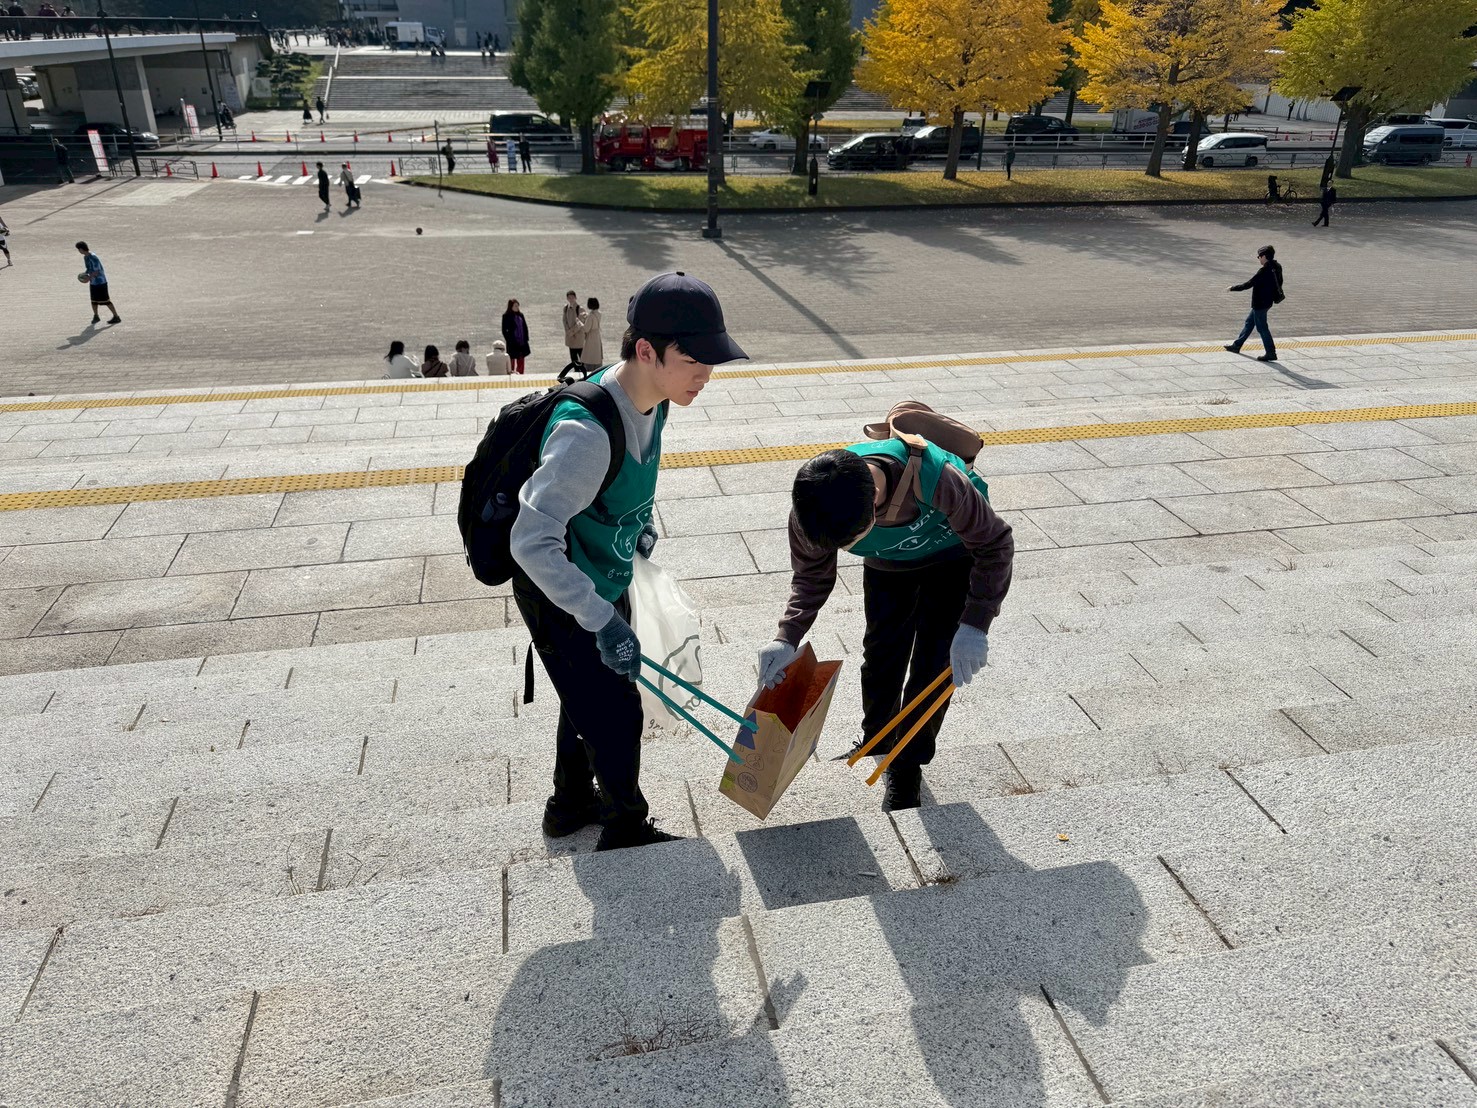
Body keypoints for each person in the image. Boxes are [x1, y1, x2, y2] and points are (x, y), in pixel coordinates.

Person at [510, 271, 748, 850]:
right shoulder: (586, 433)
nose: (706, 375)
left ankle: (569, 806)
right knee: (617, 709)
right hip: (561, 588)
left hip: (603, 570)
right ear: (646, 351)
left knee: (587, 696)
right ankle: (625, 827)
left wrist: (639, 527)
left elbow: (626, 481)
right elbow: (531, 541)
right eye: (694, 360)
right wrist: (601, 620)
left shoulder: (656, 400)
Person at [757, 409, 1013, 811]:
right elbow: (811, 577)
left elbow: (995, 543)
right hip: (888, 564)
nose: (840, 551)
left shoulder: (938, 478)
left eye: (846, 543)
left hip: (954, 556)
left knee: (932, 665)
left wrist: (976, 624)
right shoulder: (814, 507)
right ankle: (878, 740)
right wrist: (786, 637)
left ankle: (907, 767)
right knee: (881, 656)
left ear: (875, 506)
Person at [1224, 244, 1283, 363]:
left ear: (1264, 256)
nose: (1258, 259)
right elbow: (1280, 282)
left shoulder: (1264, 270)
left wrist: (1233, 288)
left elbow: (1249, 284)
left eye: (1259, 256)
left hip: (1260, 303)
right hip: (1267, 302)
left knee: (1262, 328)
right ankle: (1237, 345)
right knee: (1249, 322)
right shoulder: (1277, 266)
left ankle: (1271, 352)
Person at [75, 241, 120, 325]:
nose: (79, 251)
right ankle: (96, 316)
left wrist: (88, 278)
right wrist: (85, 275)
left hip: (100, 282)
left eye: (78, 249)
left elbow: (97, 271)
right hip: (93, 282)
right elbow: (89, 269)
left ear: (81, 249)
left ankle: (116, 316)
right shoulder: (86, 257)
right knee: (93, 301)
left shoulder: (93, 257)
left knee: (106, 301)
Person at [560, 290, 585, 383]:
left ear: (575, 297)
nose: (571, 299)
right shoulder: (566, 308)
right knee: (573, 357)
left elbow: (580, 323)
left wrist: (571, 332)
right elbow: (564, 321)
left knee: (581, 357)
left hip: (578, 337)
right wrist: (568, 331)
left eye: (572, 297)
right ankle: (576, 372)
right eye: (569, 297)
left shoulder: (580, 308)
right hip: (570, 337)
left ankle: (583, 374)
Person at [501, 298, 530, 374]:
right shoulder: (506, 316)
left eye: (518, 306)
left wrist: (526, 339)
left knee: (521, 360)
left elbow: (525, 327)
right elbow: (504, 330)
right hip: (512, 343)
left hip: (521, 342)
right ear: (511, 306)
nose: (517, 307)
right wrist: (509, 340)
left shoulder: (520, 315)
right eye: (515, 306)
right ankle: (512, 374)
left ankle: (520, 374)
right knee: (511, 360)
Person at [577, 296, 603, 378]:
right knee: (596, 355)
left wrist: (579, 323)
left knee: (589, 356)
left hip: (591, 337)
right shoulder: (599, 313)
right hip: (597, 336)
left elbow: (586, 329)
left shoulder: (591, 316)